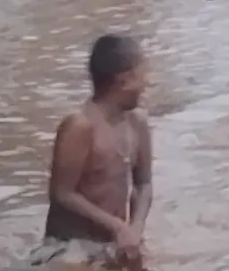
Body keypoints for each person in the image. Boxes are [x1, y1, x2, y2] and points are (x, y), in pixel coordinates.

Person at [30, 34, 153, 270]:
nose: (147, 83)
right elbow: (62, 194)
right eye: (143, 74)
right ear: (124, 80)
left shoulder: (138, 123)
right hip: (70, 246)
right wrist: (117, 226)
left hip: (116, 242)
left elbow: (144, 183)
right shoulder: (80, 126)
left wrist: (134, 230)